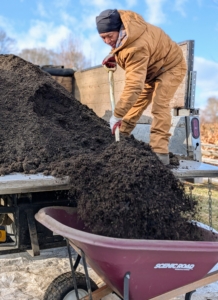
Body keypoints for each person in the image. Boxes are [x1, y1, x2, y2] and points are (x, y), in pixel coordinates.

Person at [96, 9, 187, 165]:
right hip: (151, 70)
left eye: (109, 36)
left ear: (119, 29)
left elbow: (134, 86)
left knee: (160, 105)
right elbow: (121, 45)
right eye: (102, 37)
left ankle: (160, 153)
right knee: (136, 105)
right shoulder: (125, 31)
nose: (106, 41)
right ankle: (121, 137)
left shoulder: (136, 47)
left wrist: (117, 115)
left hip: (171, 66)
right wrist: (113, 55)